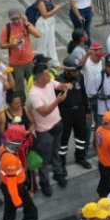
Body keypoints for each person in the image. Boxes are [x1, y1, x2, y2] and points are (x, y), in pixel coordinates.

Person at [27, 58, 70, 196]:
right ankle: (44, 182)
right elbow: (43, 112)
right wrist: (57, 101)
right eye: (46, 75)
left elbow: (60, 86)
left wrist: (66, 86)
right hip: (44, 130)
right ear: (39, 77)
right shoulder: (34, 94)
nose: (49, 76)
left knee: (56, 152)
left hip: (57, 123)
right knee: (45, 158)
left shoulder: (49, 82)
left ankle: (58, 173)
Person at [0, 125, 37, 220]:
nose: (22, 142)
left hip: (5, 186)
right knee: (32, 214)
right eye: (21, 140)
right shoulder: (10, 159)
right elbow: (11, 183)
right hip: (16, 188)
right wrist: (17, 200)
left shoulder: (2, 149)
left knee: (9, 216)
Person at [57, 57, 93, 170]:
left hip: (79, 112)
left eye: (77, 70)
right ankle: (61, 163)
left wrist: (87, 111)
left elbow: (83, 94)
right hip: (65, 114)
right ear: (66, 70)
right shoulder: (58, 81)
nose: (76, 72)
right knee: (63, 140)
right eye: (73, 70)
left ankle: (80, 157)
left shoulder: (79, 77)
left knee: (81, 137)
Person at [0, 8, 41, 92]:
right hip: (15, 64)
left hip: (29, 61)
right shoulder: (7, 28)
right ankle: (21, 103)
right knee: (18, 87)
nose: (15, 21)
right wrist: (11, 44)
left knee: (34, 84)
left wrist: (27, 23)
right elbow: (1, 45)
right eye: (13, 19)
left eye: (17, 18)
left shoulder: (26, 25)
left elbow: (38, 35)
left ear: (21, 17)